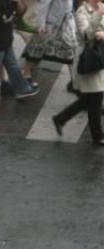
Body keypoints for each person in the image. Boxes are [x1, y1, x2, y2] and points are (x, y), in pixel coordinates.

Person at [52, 0, 104, 145]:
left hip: (100, 57)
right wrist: (98, 16)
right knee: (95, 98)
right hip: (89, 60)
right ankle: (97, 136)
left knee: (88, 100)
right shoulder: (82, 12)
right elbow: (87, 35)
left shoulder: (102, 7)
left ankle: (60, 119)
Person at [22, 0, 76, 84]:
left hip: (65, 23)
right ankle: (26, 74)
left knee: (69, 50)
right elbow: (42, 6)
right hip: (50, 24)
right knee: (36, 48)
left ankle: (74, 81)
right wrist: (40, 25)